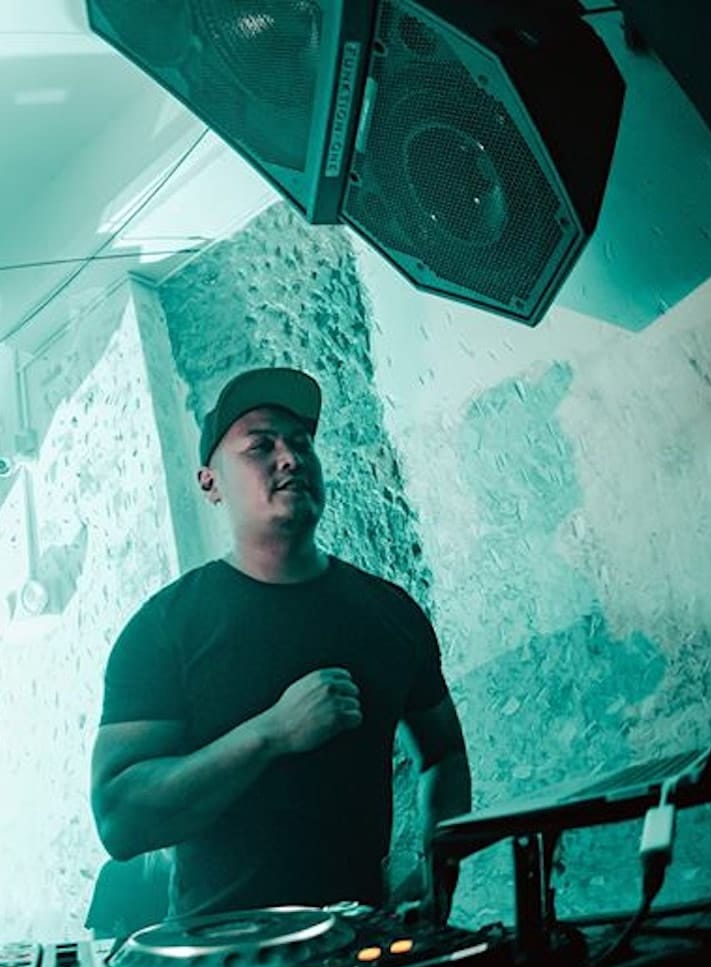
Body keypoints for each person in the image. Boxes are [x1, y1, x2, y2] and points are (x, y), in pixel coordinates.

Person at [91, 367, 470, 921]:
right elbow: (120, 823)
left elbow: (444, 755)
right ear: (210, 483)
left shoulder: (390, 612)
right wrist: (272, 733)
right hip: (221, 954)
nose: (290, 458)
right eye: (260, 446)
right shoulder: (165, 628)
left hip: (359, 946)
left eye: (301, 443)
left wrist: (434, 875)